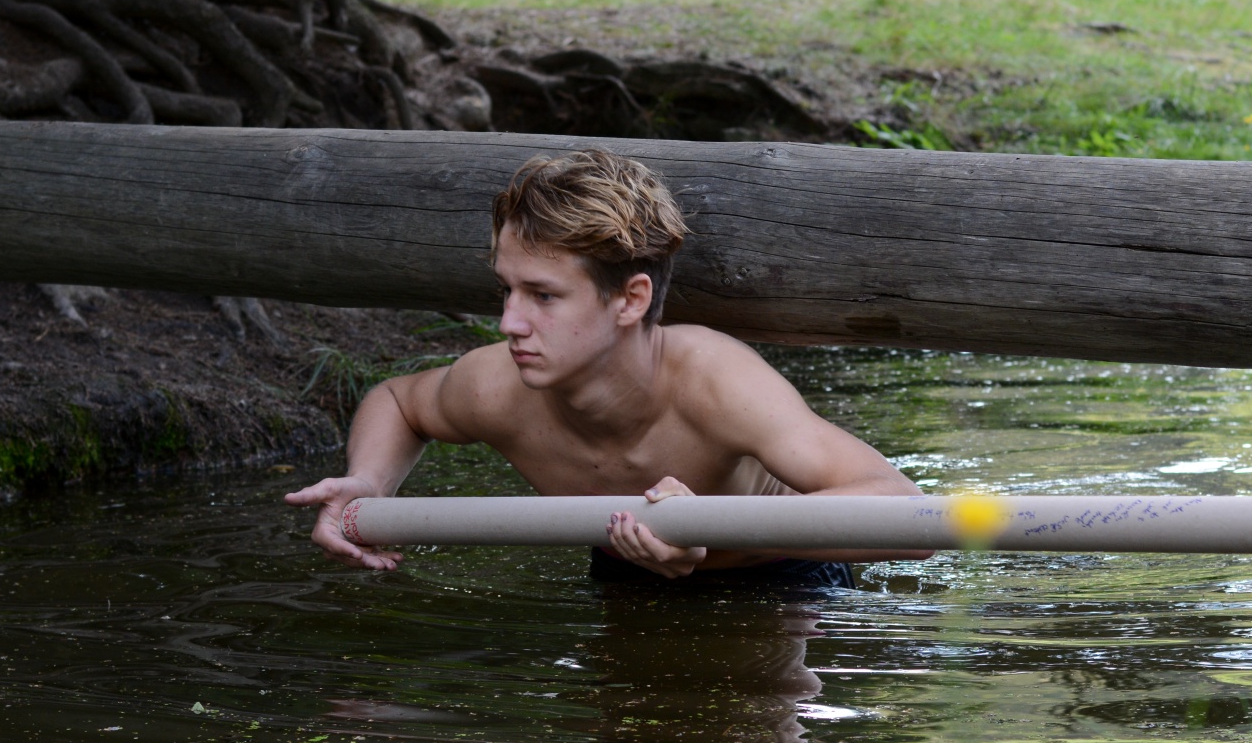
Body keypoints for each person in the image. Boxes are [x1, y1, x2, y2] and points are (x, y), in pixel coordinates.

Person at [287, 148, 930, 585]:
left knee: (751, 741)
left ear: (630, 299)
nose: (509, 322)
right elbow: (399, 401)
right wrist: (368, 481)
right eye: (507, 290)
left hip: (777, 577)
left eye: (543, 296)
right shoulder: (499, 386)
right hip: (624, 572)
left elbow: (909, 517)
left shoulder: (717, 382)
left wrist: (714, 528)